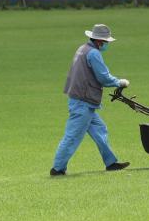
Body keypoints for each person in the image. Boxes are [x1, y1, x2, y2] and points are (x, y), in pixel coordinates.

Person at [50, 24, 131, 176]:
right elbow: (103, 77)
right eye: (106, 41)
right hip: (83, 102)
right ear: (100, 41)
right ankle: (57, 168)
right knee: (72, 135)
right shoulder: (93, 53)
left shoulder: (82, 49)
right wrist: (119, 82)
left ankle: (111, 162)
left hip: (82, 100)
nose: (107, 44)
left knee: (100, 130)